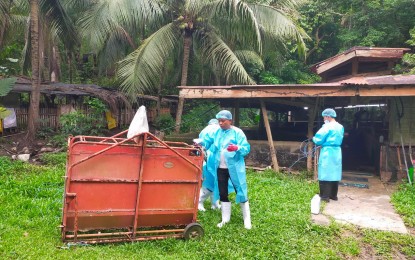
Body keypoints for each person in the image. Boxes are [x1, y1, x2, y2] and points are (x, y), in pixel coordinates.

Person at [198, 110, 252, 229]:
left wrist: (237, 147)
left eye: (223, 121)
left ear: (230, 121)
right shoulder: (217, 132)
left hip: (235, 168)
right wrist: (200, 143)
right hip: (220, 168)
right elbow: (207, 141)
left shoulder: (238, 132)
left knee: (241, 191)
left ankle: (247, 220)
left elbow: (246, 148)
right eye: (219, 121)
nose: (220, 123)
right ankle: (225, 219)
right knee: (223, 192)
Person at [312, 108, 344, 202]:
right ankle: (333, 195)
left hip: (328, 151)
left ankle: (325, 196)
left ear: (328, 116)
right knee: (335, 172)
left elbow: (319, 139)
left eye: (324, 117)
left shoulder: (327, 126)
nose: (323, 119)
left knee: (325, 172)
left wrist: (313, 139)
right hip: (337, 151)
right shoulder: (340, 126)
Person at [198, 119, 221, 211]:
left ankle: (214, 203)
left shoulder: (203, 131)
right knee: (211, 182)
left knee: (212, 182)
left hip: (205, 158)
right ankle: (199, 203)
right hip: (213, 159)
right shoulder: (218, 130)